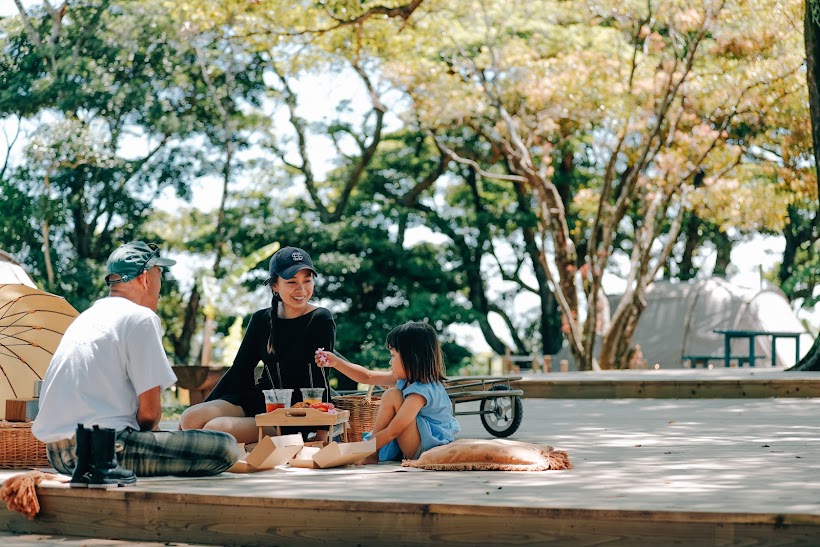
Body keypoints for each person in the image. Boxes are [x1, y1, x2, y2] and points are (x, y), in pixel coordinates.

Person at [33, 241, 242, 487]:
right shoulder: (141, 318)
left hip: (57, 454)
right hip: (104, 453)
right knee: (224, 447)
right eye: (159, 275)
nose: (160, 287)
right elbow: (150, 415)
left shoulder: (86, 317)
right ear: (145, 278)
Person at [180, 246, 336, 444]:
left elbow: (322, 376)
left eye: (307, 280)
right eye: (291, 282)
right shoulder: (261, 319)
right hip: (263, 401)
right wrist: (210, 403)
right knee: (190, 418)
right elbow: (240, 370)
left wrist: (322, 431)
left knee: (215, 428)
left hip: (296, 414)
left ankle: (283, 437)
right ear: (275, 286)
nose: (302, 289)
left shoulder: (321, 319)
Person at [315, 321, 460, 463]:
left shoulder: (421, 391)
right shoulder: (406, 379)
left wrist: (361, 449)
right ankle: (372, 453)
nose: (390, 362)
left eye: (393, 355)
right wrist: (335, 362)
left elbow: (393, 430)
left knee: (392, 395)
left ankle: (372, 453)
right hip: (417, 443)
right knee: (393, 394)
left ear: (411, 358)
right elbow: (367, 376)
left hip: (425, 449)